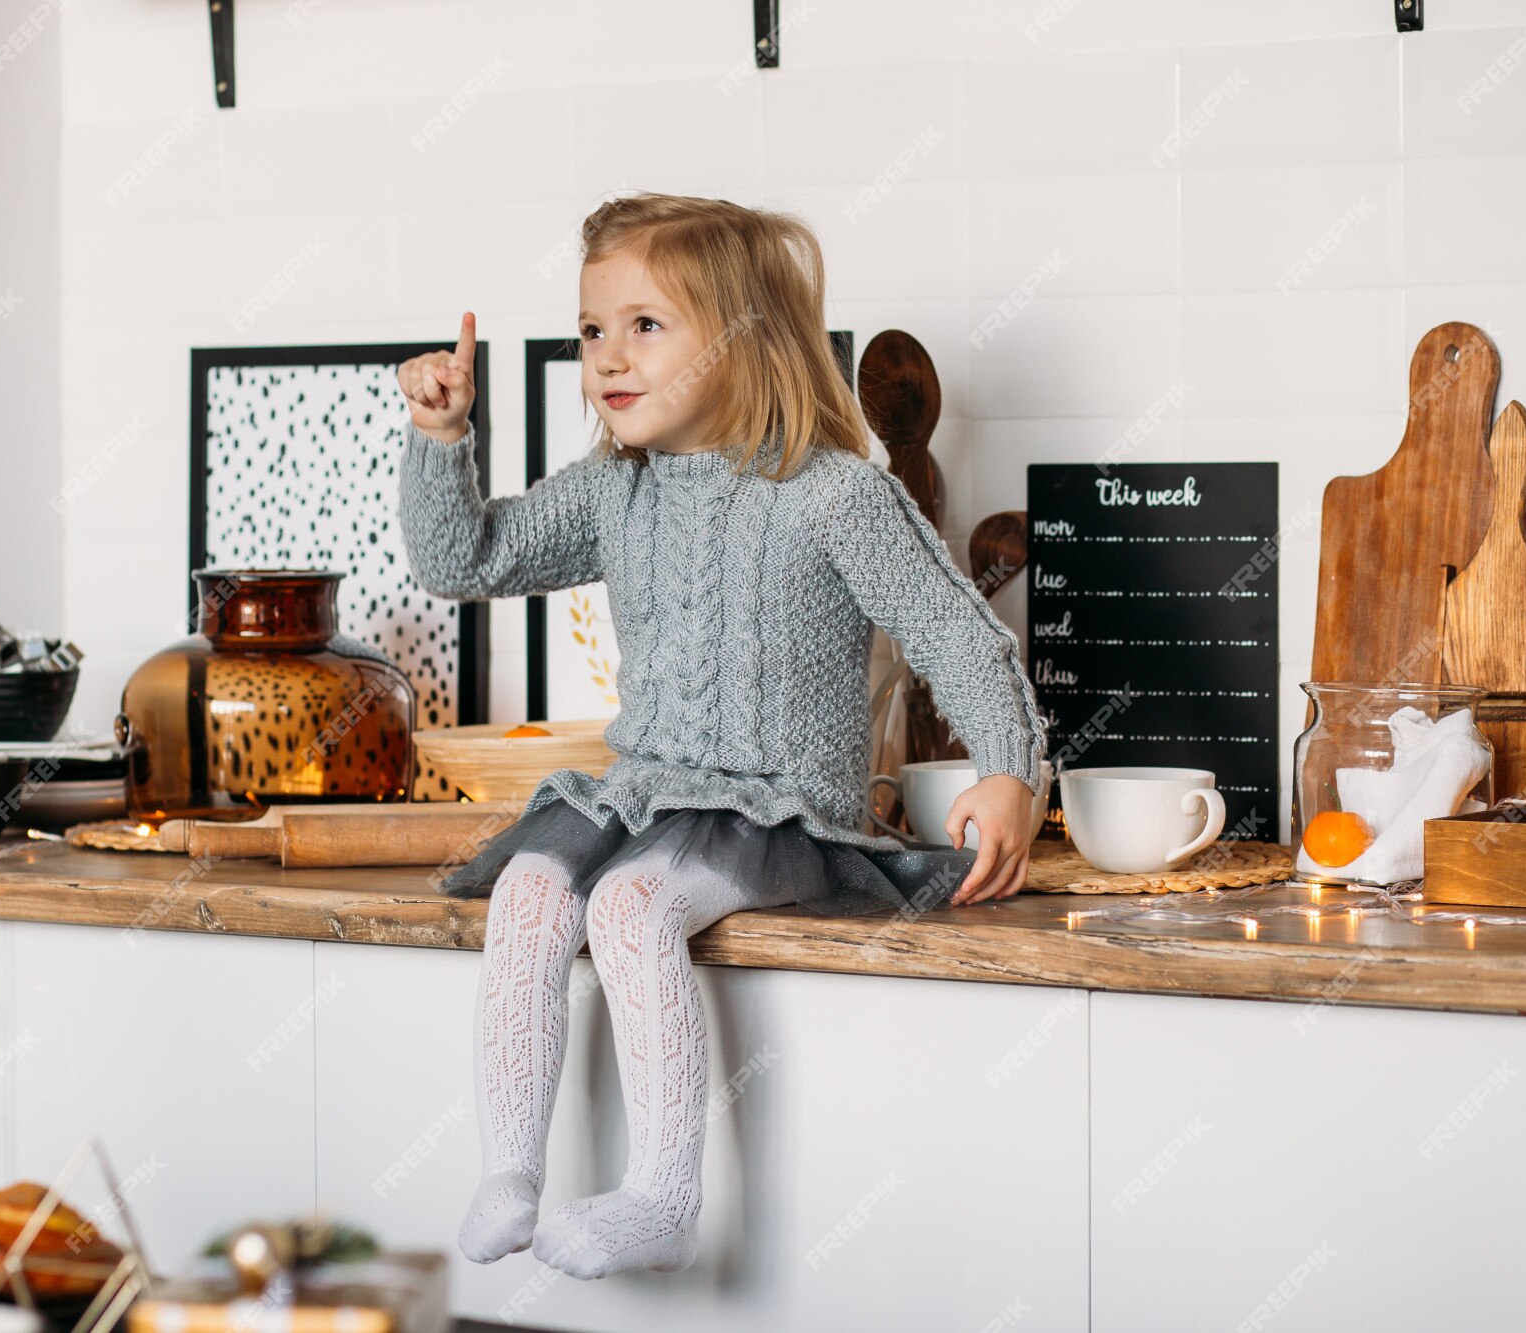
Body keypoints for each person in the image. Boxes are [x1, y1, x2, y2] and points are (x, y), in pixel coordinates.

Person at [394, 192, 1046, 1280]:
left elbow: (959, 638)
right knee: (528, 893)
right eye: (592, 330)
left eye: (646, 325)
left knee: (631, 903)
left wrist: (1008, 770)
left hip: (777, 805)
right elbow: (469, 561)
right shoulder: (616, 490)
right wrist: (439, 435)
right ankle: (510, 1166)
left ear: (745, 340)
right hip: (647, 790)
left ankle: (661, 1192)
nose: (608, 354)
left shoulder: (834, 496)